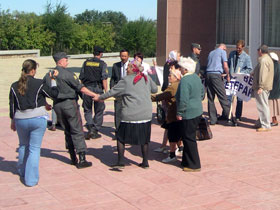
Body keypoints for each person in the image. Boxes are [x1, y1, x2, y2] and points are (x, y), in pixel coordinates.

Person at [95, 60, 158, 169]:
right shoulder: (146, 77)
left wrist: (99, 97)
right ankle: (145, 162)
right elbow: (155, 89)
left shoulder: (126, 80)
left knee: (120, 137)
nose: (125, 69)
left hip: (130, 114)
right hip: (146, 114)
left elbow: (112, 92)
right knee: (145, 139)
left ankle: (120, 162)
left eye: (128, 67)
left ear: (133, 69)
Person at [9, 59, 58, 187]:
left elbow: (12, 105)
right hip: (37, 118)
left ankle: (22, 171)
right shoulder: (39, 83)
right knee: (34, 149)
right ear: (32, 70)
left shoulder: (14, 85)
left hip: (20, 118)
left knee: (23, 145)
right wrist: (53, 80)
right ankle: (31, 180)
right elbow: (54, 94)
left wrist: (12, 120)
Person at [44, 52, 96, 168]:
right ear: (61, 61)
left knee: (67, 130)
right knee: (77, 130)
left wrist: (46, 103)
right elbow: (80, 88)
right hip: (69, 104)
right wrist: (94, 95)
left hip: (57, 105)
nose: (67, 62)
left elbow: (43, 91)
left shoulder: (48, 75)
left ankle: (73, 157)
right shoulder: (68, 74)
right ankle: (82, 159)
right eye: (66, 60)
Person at [175, 57, 204, 172]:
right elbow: (202, 93)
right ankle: (186, 161)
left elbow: (183, 99)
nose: (180, 70)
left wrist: (180, 112)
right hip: (197, 110)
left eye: (181, 68)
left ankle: (194, 164)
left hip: (189, 112)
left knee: (189, 138)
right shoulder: (196, 78)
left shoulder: (185, 80)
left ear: (185, 69)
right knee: (188, 137)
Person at [151, 66, 182, 163]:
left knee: (172, 135)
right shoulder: (179, 84)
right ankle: (180, 148)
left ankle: (172, 155)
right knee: (177, 134)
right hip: (177, 113)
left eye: (170, 75)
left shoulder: (173, 87)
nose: (168, 77)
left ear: (176, 77)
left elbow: (161, 96)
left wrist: (148, 96)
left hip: (173, 114)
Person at [79, 46, 108, 139]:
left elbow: (81, 78)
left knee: (87, 109)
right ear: (101, 54)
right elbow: (104, 78)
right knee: (99, 111)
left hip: (87, 89)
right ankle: (95, 130)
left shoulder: (86, 62)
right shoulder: (102, 64)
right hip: (98, 89)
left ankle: (90, 127)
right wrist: (106, 91)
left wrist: (81, 89)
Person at [205, 44, 232, 125]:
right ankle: (229, 117)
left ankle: (213, 119)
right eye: (226, 49)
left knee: (210, 98)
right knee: (222, 96)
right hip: (216, 75)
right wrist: (228, 75)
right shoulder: (222, 52)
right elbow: (225, 65)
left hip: (208, 74)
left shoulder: (211, 53)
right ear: (223, 47)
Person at [227, 40, 253, 121]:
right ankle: (228, 114)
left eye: (239, 48)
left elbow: (249, 69)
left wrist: (241, 73)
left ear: (243, 47)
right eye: (237, 48)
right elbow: (228, 65)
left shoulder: (246, 57)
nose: (238, 50)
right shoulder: (232, 54)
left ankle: (238, 116)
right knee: (229, 97)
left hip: (240, 79)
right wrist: (227, 74)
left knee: (239, 98)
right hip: (232, 78)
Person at [252, 45, 274, 132]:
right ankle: (262, 122)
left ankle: (265, 125)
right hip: (267, 85)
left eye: (258, 50)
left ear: (260, 51)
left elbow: (263, 74)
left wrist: (260, 86)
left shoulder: (263, 60)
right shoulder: (268, 59)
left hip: (263, 86)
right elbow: (259, 71)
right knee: (264, 105)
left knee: (262, 105)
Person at [110, 49, 130, 139]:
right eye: (122, 56)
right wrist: (112, 89)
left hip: (129, 92)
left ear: (128, 56)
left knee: (128, 113)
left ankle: (128, 133)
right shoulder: (115, 66)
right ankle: (118, 132)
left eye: (125, 56)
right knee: (118, 112)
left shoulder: (132, 66)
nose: (123, 58)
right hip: (119, 92)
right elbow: (113, 79)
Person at [269, 52, 280, 126]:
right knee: (274, 106)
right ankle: (274, 119)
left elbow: (272, 76)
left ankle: (274, 120)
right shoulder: (277, 65)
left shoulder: (274, 66)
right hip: (276, 88)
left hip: (274, 89)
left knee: (273, 106)